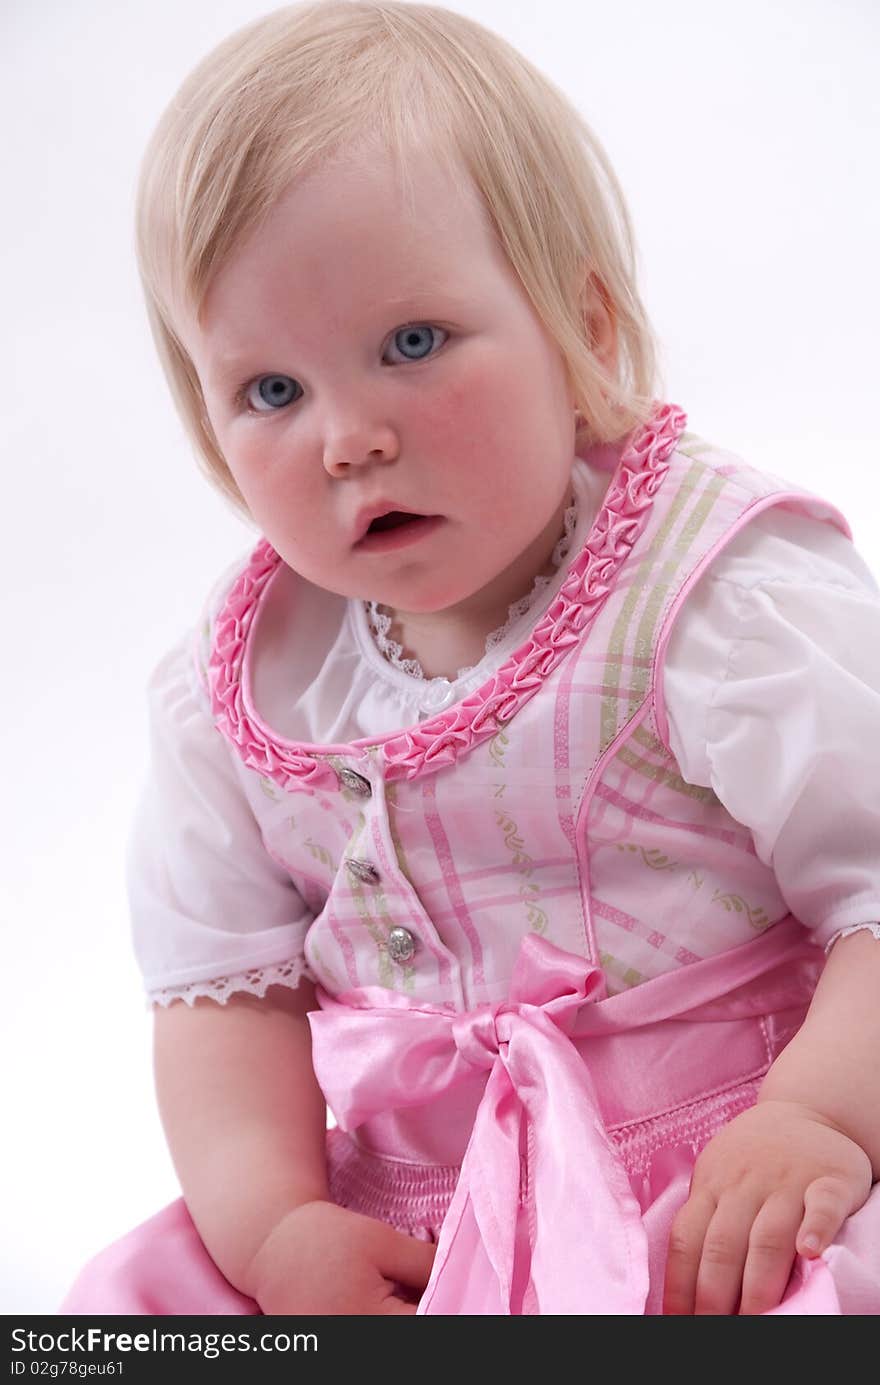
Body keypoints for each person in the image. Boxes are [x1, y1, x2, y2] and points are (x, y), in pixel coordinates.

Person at [61, 0, 880, 1316]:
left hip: (730, 1169)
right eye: (272, 390)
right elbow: (224, 1005)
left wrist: (824, 1119)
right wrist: (279, 1228)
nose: (347, 439)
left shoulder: (716, 600)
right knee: (136, 1315)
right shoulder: (235, 699)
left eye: (411, 345)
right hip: (416, 1220)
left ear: (585, 328)